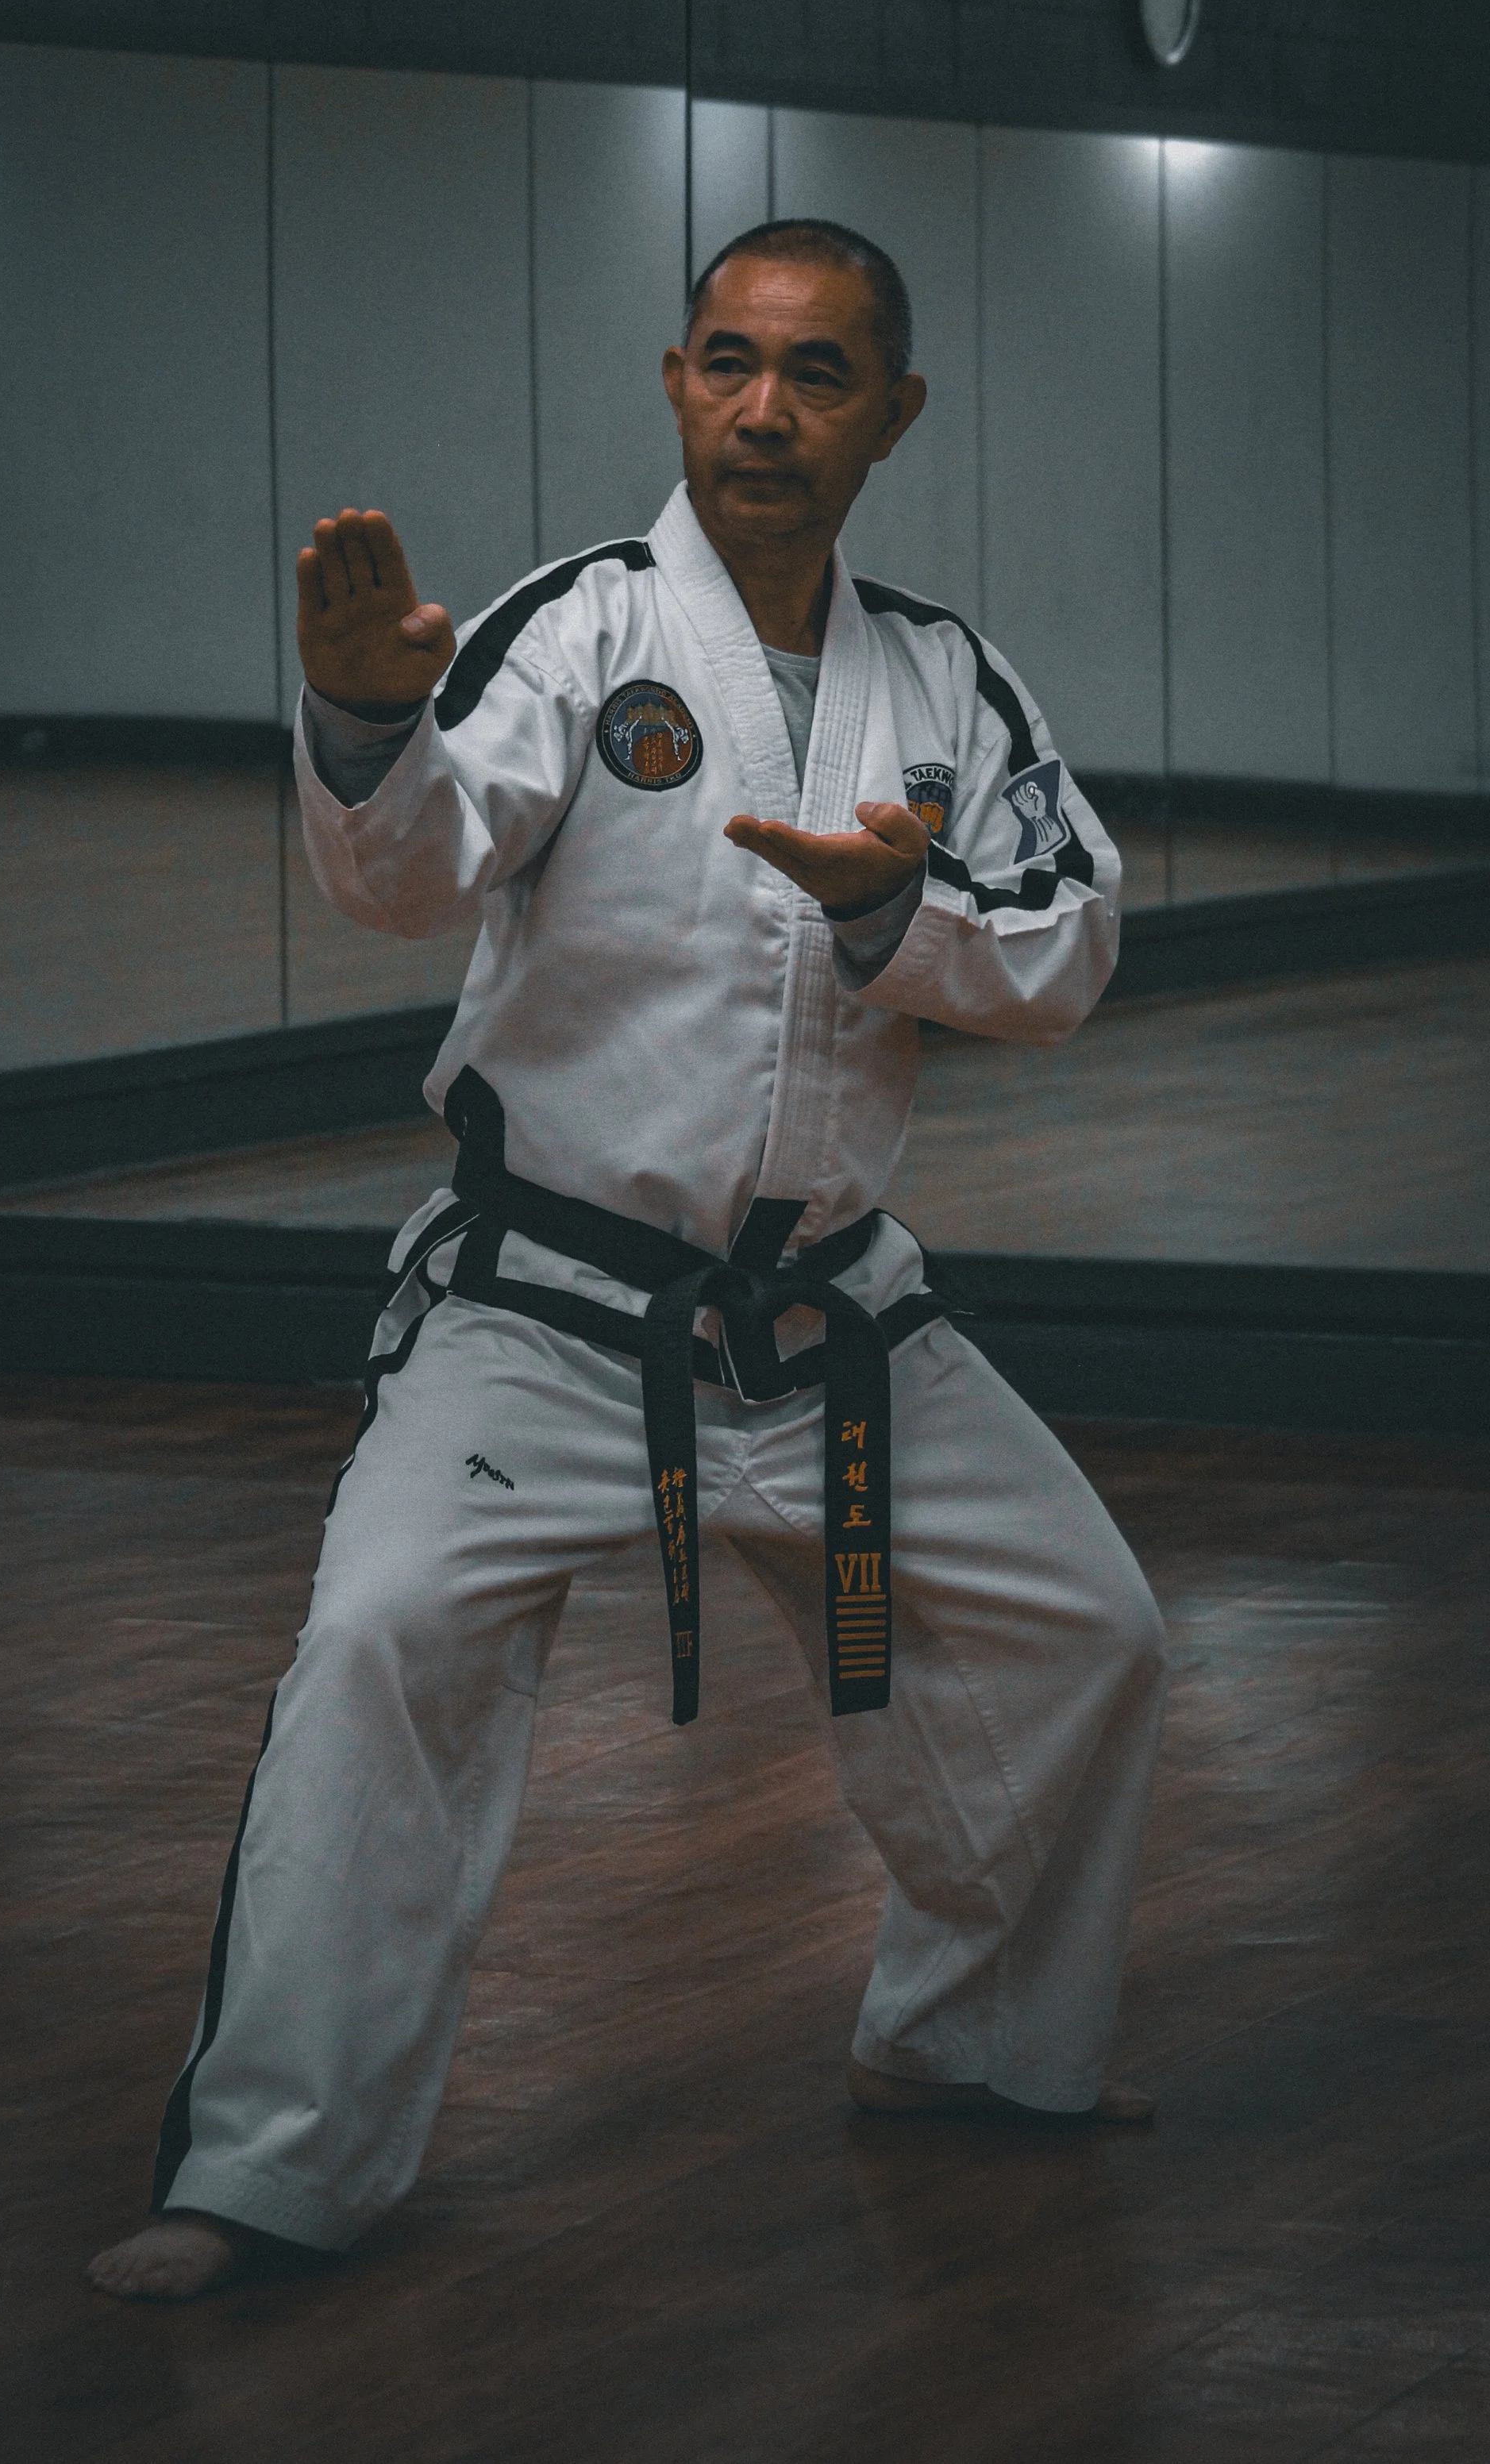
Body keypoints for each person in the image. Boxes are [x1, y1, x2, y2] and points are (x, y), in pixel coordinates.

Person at [90, 218, 1167, 2303]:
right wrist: (362, 717)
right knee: (380, 1643)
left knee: (1084, 1630)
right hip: (551, 1314)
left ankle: (965, 2039)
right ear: (676, 380)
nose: (763, 409)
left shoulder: (942, 679)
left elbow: (1066, 944)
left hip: (834, 1322)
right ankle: (267, 2170)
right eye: (726, 361)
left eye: (817, 373)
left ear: (893, 415)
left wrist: (895, 912)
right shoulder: (579, 629)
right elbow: (418, 870)